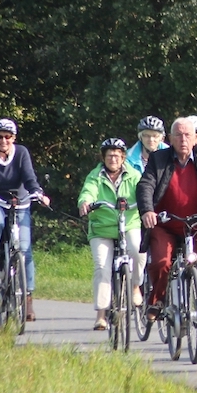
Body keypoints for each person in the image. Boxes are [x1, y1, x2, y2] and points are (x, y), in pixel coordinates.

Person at [136, 117, 197, 321]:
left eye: (187, 135)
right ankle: (157, 301)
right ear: (170, 138)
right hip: (165, 224)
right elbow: (145, 185)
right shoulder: (159, 158)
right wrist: (147, 210)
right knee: (162, 261)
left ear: (196, 137)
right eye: (178, 135)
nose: (183, 139)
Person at [0, 119, 50, 321]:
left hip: (20, 201)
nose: (4, 140)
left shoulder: (21, 153)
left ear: (13, 138)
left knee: (24, 249)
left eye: (8, 137)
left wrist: (38, 193)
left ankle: (27, 299)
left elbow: (29, 176)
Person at [77, 138, 145, 330]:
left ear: (123, 157)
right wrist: (85, 202)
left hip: (129, 224)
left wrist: (147, 205)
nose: (113, 159)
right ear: (104, 158)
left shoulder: (133, 175)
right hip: (102, 227)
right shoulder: (95, 176)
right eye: (109, 155)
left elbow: (143, 192)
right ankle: (101, 314)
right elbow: (88, 191)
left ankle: (135, 287)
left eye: (117, 155)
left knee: (138, 252)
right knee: (102, 268)